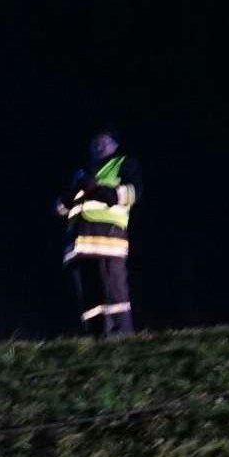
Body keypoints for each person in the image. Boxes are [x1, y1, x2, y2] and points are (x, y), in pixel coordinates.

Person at [59, 130, 142, 337]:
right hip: (78, 247)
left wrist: (94, 187)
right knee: (90, 302)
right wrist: (71, 193)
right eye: (94, 142)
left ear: (115, 145)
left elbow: (129, 194)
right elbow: (60, 209)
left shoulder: (124, 164)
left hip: (107, 240)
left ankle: (121, 338)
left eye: (103, 141)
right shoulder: (82, 173)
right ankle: (96, 340)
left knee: (114, 295)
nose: (98, 146)